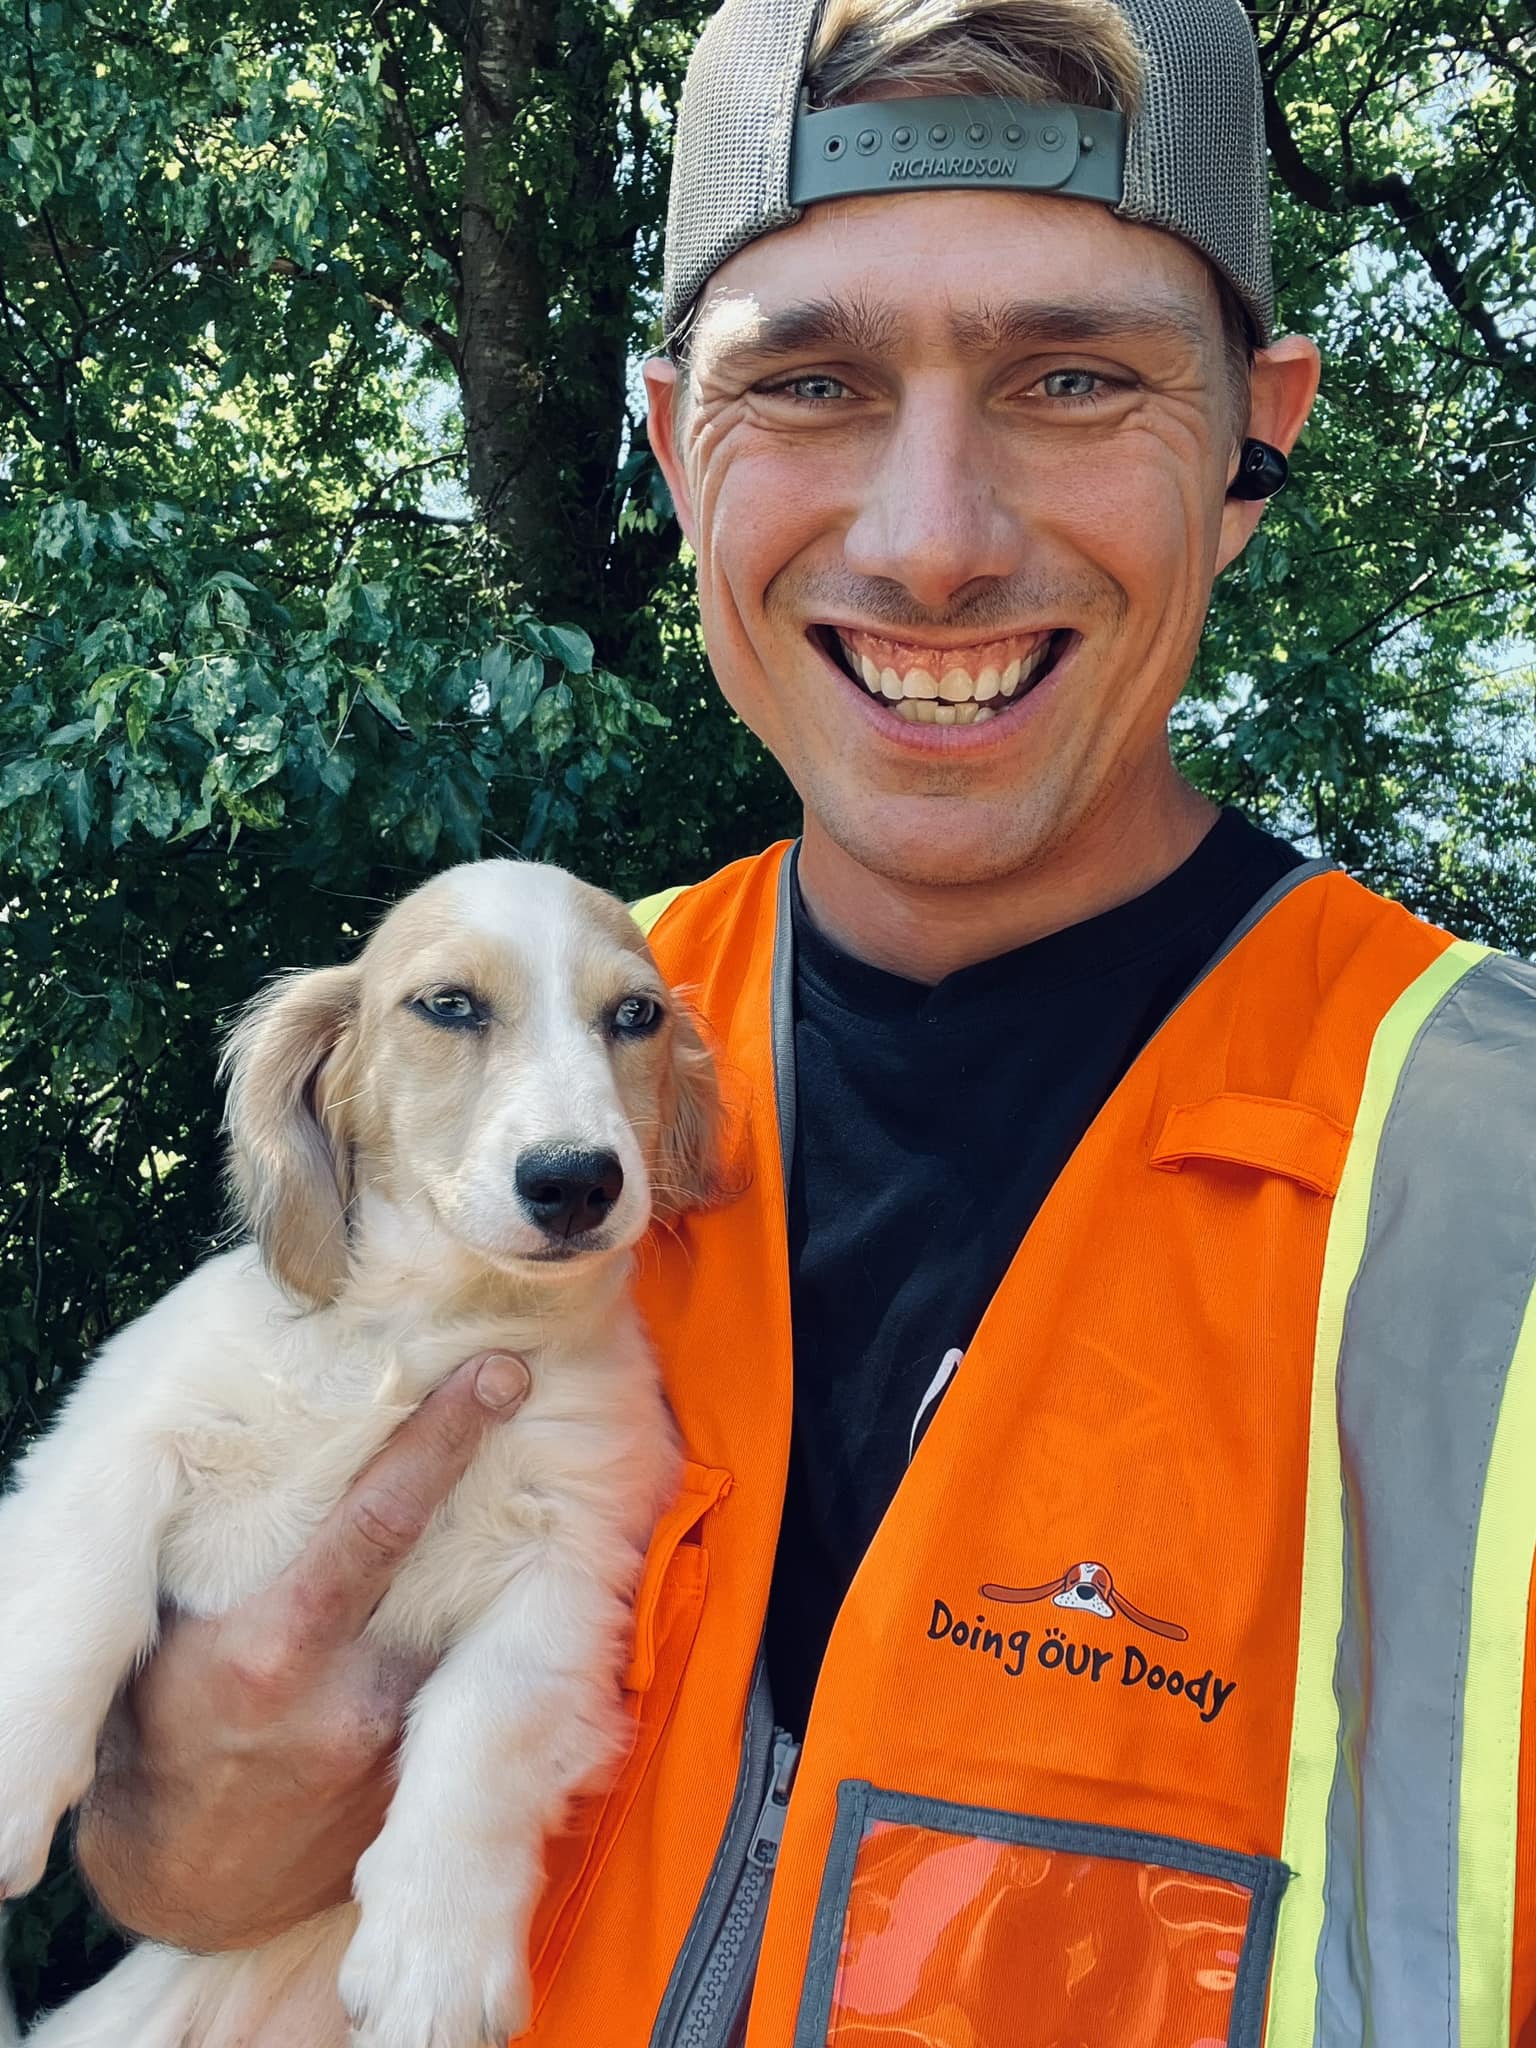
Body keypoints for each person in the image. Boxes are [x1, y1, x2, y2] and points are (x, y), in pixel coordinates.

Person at [71, 0, 1536, 2041]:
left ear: (1250, 441)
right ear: (681, 449)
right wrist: (164, 1825)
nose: (931, 542)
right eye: (815, 384)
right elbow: (193, 1810)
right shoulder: (510, 1064)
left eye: (1073, 377)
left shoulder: (1493, 1170)